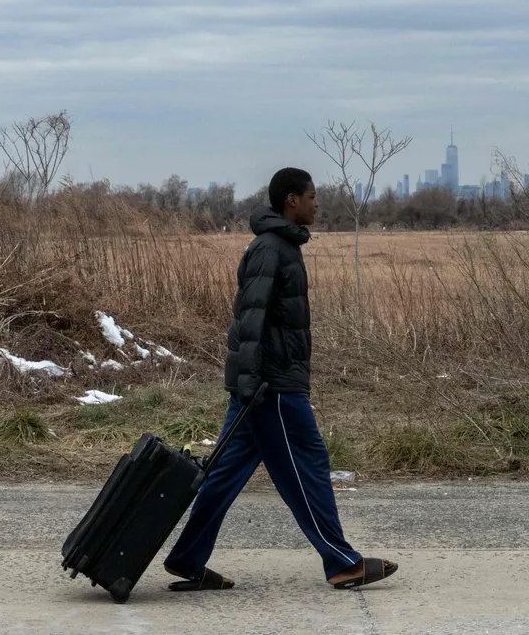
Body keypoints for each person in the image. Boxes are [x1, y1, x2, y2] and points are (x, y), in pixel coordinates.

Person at [162, 167, 398, 591]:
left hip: (258, 386)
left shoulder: (280, 245)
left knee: (223, 475)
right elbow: (250, 321)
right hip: (270, 388)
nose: (316, 203)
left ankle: (187, 558)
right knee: (307, 466)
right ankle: (342, 562)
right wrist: (255, 387)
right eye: (311, 196)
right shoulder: (273, 249)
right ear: (292, 200)